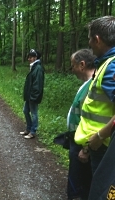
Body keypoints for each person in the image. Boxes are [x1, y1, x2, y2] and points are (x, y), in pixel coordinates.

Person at [74, 16, 115, 175]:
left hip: (104, 145)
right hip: (99, 145)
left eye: (90, 39)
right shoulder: (105, 63)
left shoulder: (112, 67)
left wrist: (99, 135)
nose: (89, 44)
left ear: (97, 39)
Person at [64, 49, 96, 200]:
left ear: (82, 65)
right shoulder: (86, 83)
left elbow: (94, 121)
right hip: (76, 140)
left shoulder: (93, 86)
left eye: (73, 66)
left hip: (83, 145)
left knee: (80, 185)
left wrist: (86, 148)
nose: (72, 70)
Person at [19, 49, 44, 139]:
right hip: (29, 96)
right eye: (28, 57)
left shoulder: (38, 68)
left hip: (33, 96)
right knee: (25, 111)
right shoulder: (33, 67)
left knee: (34, 113)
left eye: (30, 57)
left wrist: (34, 96)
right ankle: (28, 129)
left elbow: (38, 84)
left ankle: (33, 131)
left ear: (35, 57)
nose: (29, 59)